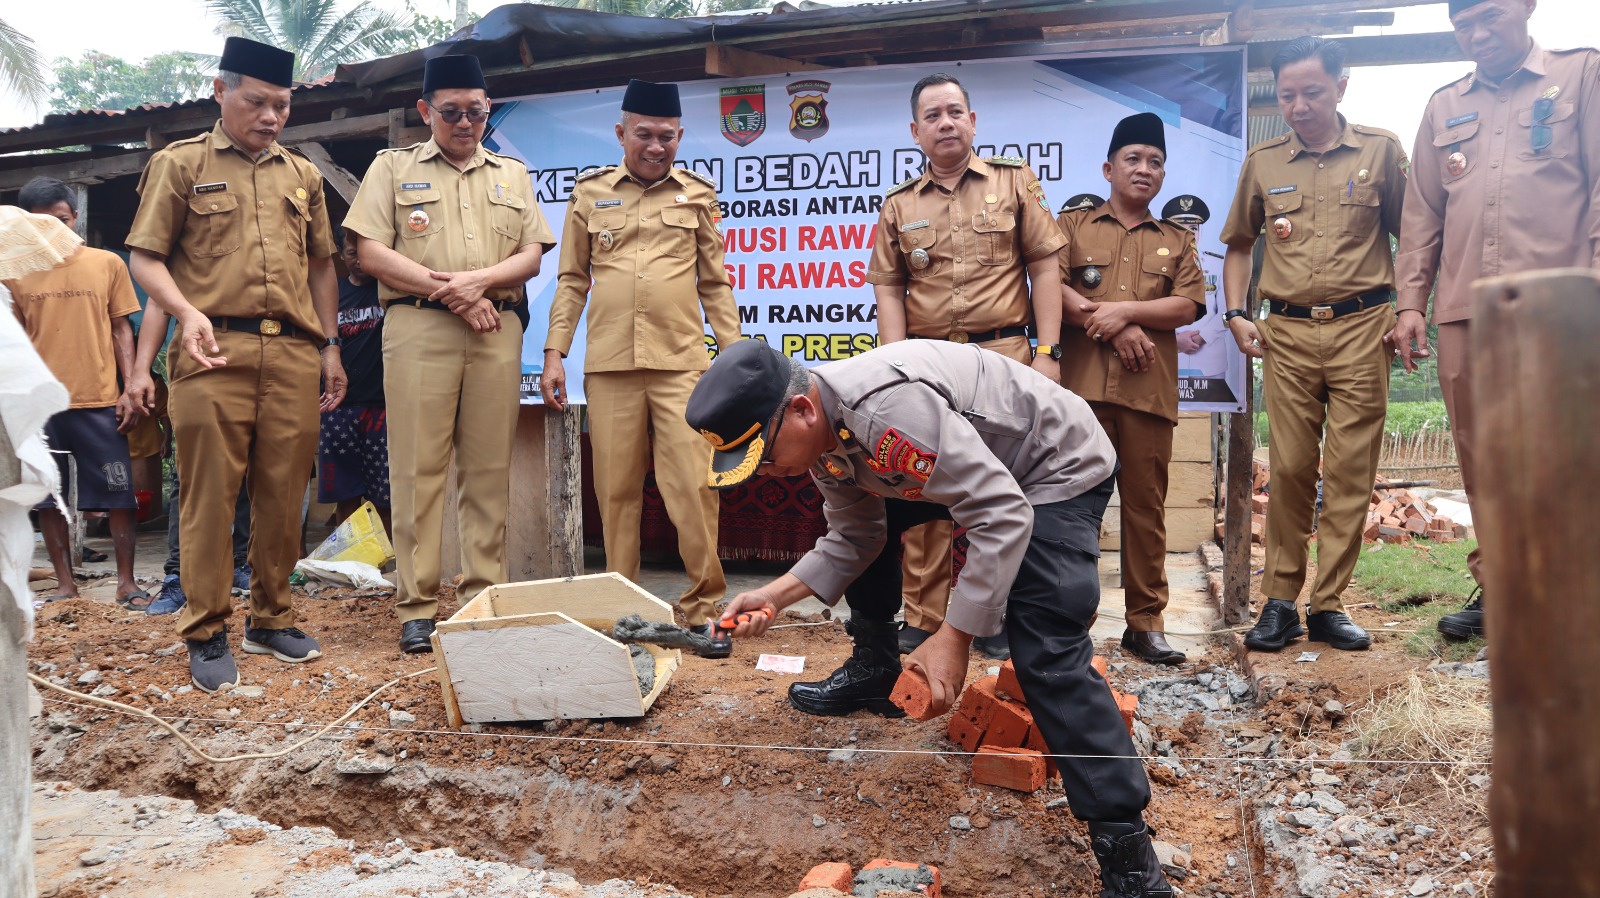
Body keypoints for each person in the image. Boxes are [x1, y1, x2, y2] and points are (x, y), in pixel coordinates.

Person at [691, 339, 1173, 898]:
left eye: (766, 457)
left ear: (802, 409)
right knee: (874, 533)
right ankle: (875, 667)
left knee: (1044, 641)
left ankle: (1131, 863)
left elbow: (1000, 510)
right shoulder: (823, 434)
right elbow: (854, 537)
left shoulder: (884, 413)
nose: (769, 474)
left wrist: (954, 636)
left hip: (1053, 464)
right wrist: (774, 596)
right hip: (972, 462)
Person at [126, 37, 345, 692]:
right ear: (221, 91)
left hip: (293, 351)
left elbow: (322, 265)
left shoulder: (303, 175)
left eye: (282, 105)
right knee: (209, 495)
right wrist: (183, 313)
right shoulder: (180, 164)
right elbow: (146, 258)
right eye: (256, 102)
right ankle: (206, 628)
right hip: (211, 348)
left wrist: (330, 345)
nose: (271, 117)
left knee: (284, 493)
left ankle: (271, 618)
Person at [1390, 0, 1599, 642]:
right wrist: (1410, 303)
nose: (1477, 34)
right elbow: (1422, 215)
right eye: (1464, 25)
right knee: (1482, 456)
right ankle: (1503, 591)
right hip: (1465, 309)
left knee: (1564, 452)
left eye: (1490, 17)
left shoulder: (1582, 75)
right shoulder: (1444, 106)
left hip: (1558, 306)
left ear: (1527, 7)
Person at [345, 54, 555, 655]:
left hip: (494, 331)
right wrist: (457, 294)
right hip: (418, 328)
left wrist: (477, 284)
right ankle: (416, 606)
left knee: (488, 470)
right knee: (417, 470)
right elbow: (370, 253)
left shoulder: (511, 174)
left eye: (476, 113)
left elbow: (531, 255)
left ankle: (482, 598)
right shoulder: (392, 167)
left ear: (488, 111)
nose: (465, 123)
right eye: (451, 112)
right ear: (425, 111)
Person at [863, 72, 1067, 664]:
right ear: (916, 131)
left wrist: (1049, 353)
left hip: (1005, 358)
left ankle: (999, 616)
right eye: (933, 115)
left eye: (955, 111)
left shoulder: (1014, 181)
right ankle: (923, 617)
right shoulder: (899, 204)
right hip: (928, 363)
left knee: (1009, 489)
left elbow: (1045, 269)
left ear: (972, 121)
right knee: (924, 480)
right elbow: (889, 290)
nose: (946, 123)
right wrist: (895, 367)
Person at [1218, 36, 1408, 654]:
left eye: (1312, 92)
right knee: (1292, 468)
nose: (1298, 106)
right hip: (1288, 334)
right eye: (1287, 95)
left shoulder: (1381, 151)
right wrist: (1236, 314)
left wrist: (1411, 310)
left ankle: (1328, 604)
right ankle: (1279, 602)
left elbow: (1415, 237)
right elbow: (1239, 246)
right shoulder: (1263, 161)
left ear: (1340, 87)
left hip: (1364, 328)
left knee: (1350, 472)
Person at [540, 79, 741, 655]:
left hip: (682, 365)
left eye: (667, 136)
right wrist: (554, 352)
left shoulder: (697, 196)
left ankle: (704, 609)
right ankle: (620, 608)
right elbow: (572, 280)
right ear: (621, 133)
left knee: (694, 486)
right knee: (616, 491)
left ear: (680, 136)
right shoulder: (589, 195)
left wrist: (733, 355)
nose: (656, 146)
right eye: (645, 134)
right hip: (609, 366)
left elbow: (714, 283)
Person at [1056, 114, 1206, 666]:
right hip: (1081, 395)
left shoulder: (1177, 240)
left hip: (1148, 395)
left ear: (1163, 175)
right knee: (1073, 510)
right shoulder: (1072, 226)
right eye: (1134, 159)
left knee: (1146, 510)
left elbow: (1187, 305)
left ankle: (1145, 625)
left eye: (1155, 162)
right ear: (1109, 168)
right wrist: (1119, 325)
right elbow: (1051, 287)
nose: (1145, 169)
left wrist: (1123, 311)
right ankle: (1067, 622)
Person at [4, 178, 148, 609]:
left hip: (100, 399)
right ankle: (66, 585)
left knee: (119, 493)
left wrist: (130, 386)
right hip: (40, 406)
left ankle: (126, 584)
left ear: (75, 217)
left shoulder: (106, 263)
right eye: (41, 223)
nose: (53, 230)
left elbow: (121, 329)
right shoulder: (12, 272)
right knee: (48, 498)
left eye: (61, 220)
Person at [317, 227, 392, 535]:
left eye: (365, 253)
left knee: (385, 494)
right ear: (340, 254)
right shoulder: (332, 295)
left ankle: (389, 556)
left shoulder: (389, 291)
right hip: (339, 408)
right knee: (344, 492)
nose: (360, 261)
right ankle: (347, 555)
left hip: (382, 406)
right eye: (352, 254)